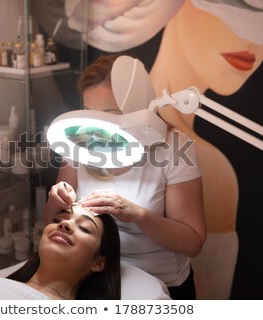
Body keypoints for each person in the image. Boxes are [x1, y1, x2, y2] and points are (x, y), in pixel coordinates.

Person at [44, 54, 206, 299]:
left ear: (139, 110)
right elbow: (51, 220)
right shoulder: (79, 143)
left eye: (109, 113)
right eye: (89, 112)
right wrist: (55, 202)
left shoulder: (174, 148)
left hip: (159, 285)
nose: (95, 128)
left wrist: (135, 214)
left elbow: (192, 243)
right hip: (91, 276)